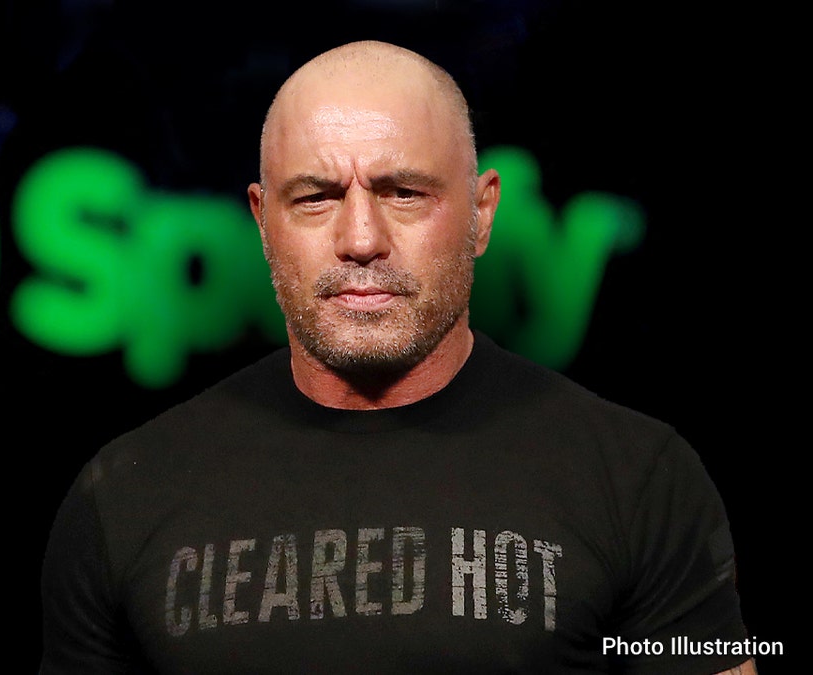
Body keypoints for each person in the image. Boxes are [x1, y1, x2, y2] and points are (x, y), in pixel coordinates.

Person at [39, 40, 754, 674]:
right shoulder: (122, 496)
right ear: (263, 222)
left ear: (481, 213)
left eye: (404, 192)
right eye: (316, 197)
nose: (359, 238)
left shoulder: (640, 478)